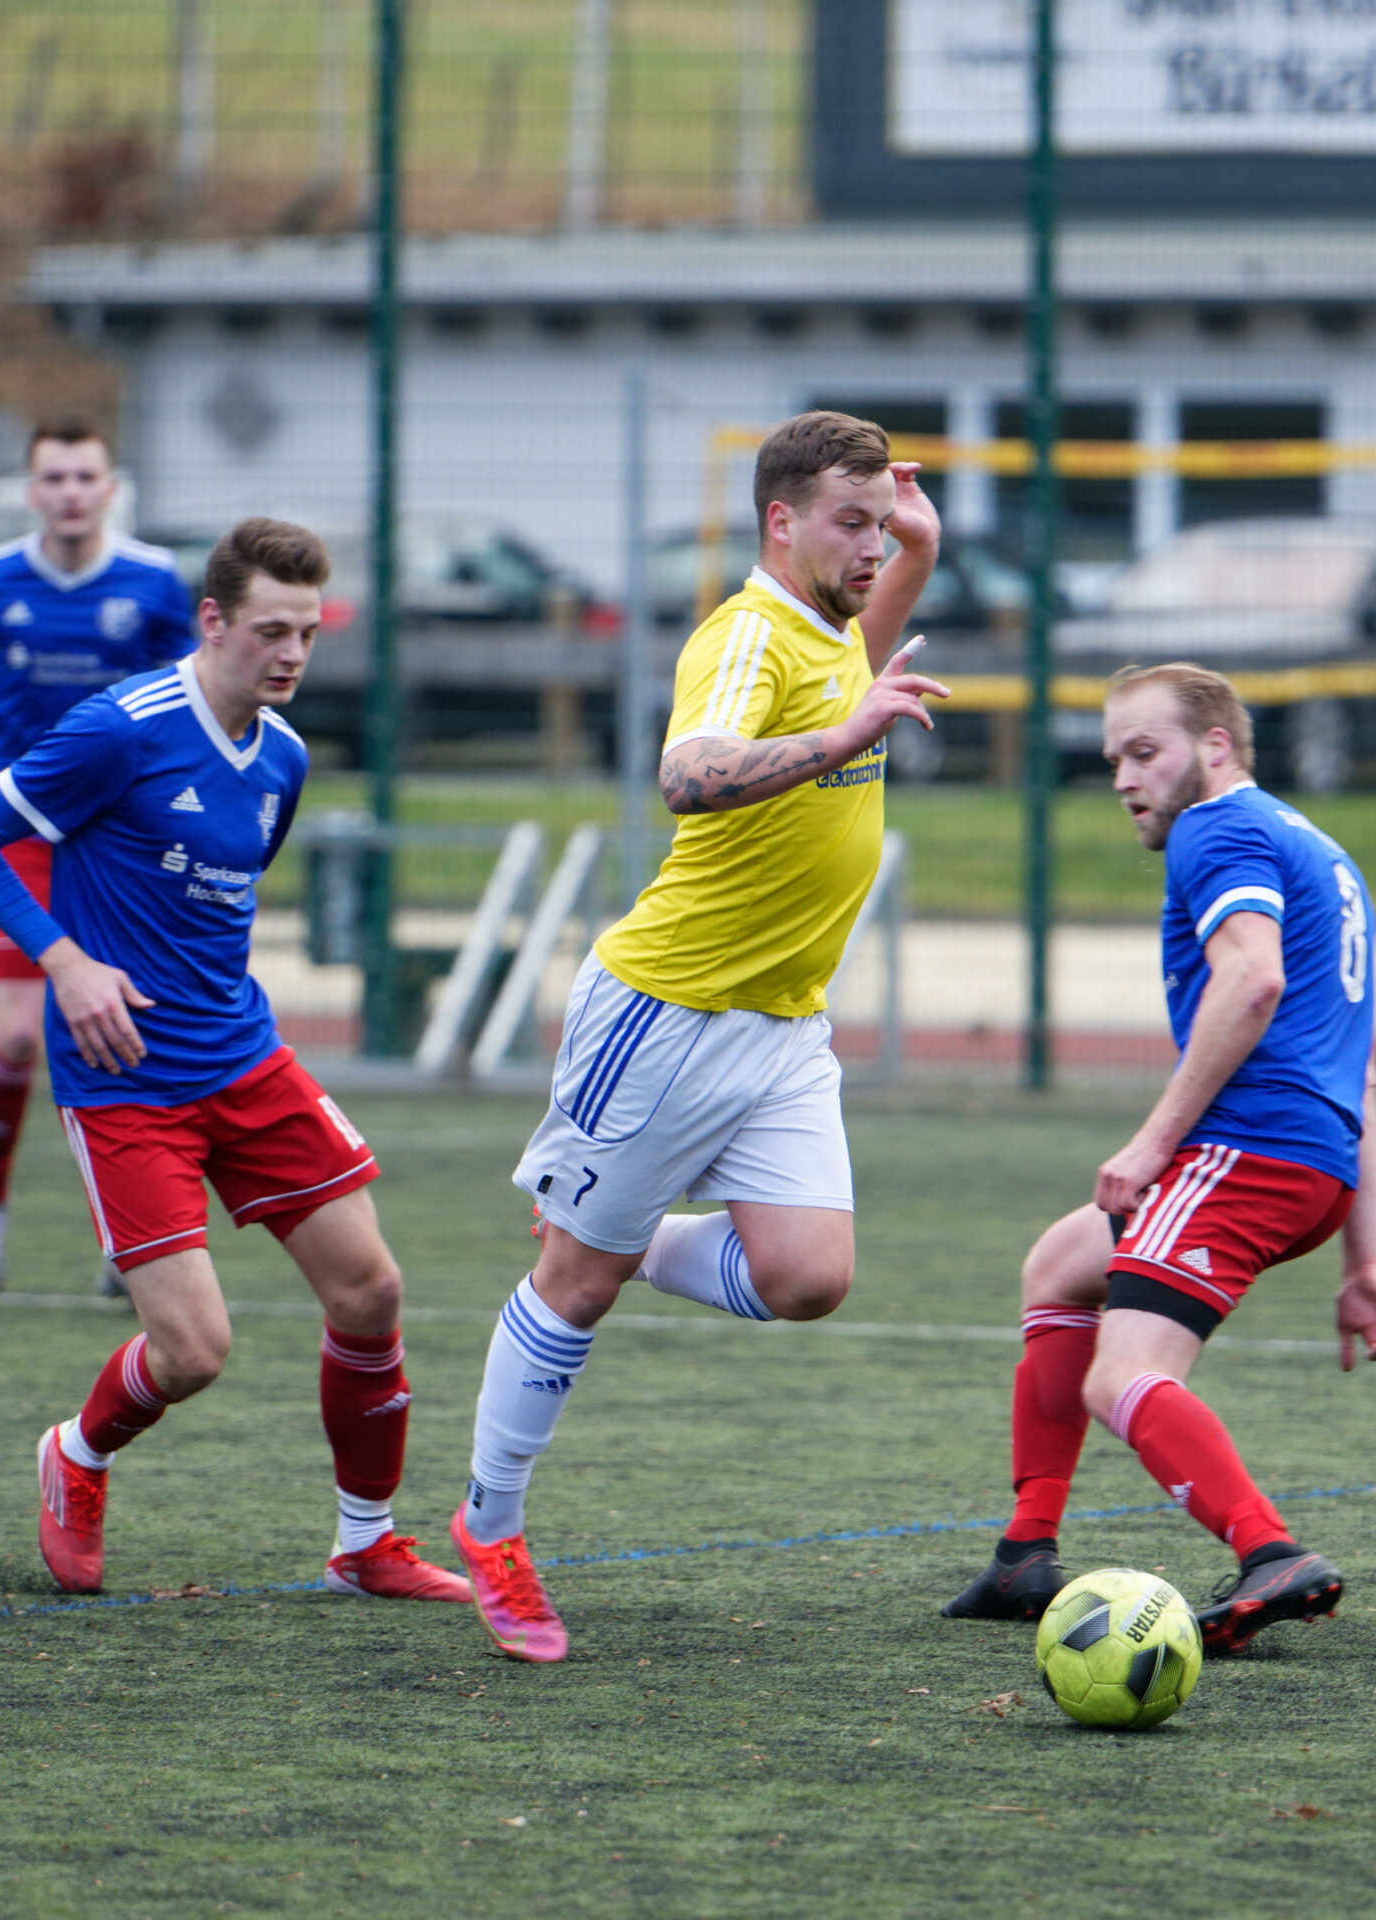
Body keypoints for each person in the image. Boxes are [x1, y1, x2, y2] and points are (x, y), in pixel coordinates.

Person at [447, 412, 950, 1663]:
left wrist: (913, 560)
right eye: (851, 523)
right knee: (574, 1286)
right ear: (778, 521)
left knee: (808, 1281)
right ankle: (491, 1529)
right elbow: (691, 770)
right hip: (668, 1016)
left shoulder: (832, 632)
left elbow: (849, 679)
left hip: (781, 1029)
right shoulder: (742, 634)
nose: (869, 544)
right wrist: (843, 737)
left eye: (879, 524)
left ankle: (628, 1234)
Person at [0, 518, 469, 1605]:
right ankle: (76, 1455)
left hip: (243, 1060)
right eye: (272, 630)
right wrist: (66, 964)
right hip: (126, 1082)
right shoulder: (120, 729)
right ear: (213, 620)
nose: (292, 655)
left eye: (309, 634)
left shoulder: (285, 755)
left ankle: (366, 1543)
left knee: (370, 1289)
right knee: (193, 1353)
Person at [940, 664, 1376, 1655]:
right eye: (1112, 757)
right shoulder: (1317, 848)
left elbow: (1251, 980)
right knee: (1059, 1266)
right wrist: (1362, 1261)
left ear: (1214, 748)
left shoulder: (1216, 829)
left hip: (1246, 1153)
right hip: (1312, 1159)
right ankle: (1025, 1554)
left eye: (1143, 752)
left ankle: (1268, 1553)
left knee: (1121, 1377)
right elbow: (1358, 1074)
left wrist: (1153, 1142)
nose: (1122, 776)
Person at [0, 417, 195, 1298]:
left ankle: (130, 1229)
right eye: (53, 477)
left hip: (123, 841)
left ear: (109, 488)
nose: (69, 492)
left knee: (126, 1033)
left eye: (84, 477)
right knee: (21, 1036)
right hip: (20, 833)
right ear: (32, 490)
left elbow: (186, 705)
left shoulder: (152, 583)